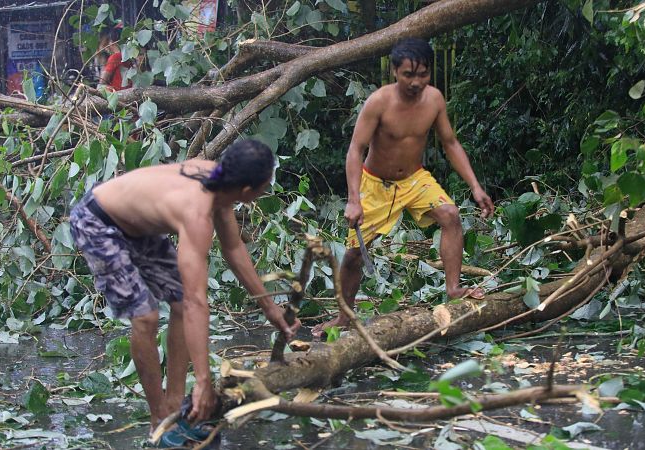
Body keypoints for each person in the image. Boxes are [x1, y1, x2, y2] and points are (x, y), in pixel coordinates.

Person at [69, 139, 299, 444]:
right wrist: (203, 381)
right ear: (248, 191)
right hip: (96, 222)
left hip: (138, 227)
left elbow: (233, 248)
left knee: (176, 301)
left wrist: (270, 308)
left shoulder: (219, 181)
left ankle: (175, 406)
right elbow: (196, 302)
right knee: (146, 316)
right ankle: (159, 422)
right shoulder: (196, 212)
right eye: (265, 186)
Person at [312, 38, 495, 338]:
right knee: (354, 255)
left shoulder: (434, 100)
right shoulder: (379, 103)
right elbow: (355, 150)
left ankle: (453, 289)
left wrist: (475, 186)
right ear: (395, 71)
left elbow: (450, 142)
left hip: (415, 179)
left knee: (450, 214)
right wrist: (354, 200)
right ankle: (343, 317)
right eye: (409, 74)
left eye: (422, 74)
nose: (416, 81)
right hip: (374, 183)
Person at [97, 25, 134, 91]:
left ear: (112, 42)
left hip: (117, 93)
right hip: (128, 92)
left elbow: (102, 82)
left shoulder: (115, 57)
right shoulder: (128, 56)